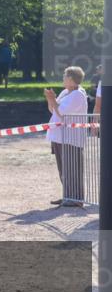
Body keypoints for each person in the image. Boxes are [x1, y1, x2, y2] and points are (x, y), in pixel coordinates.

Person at [45, 66, 89, 208]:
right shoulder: (65, 92)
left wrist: (53, 100)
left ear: (71, 79)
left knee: (72, 168)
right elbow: (53, 109)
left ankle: (76, 198)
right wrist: (50, 99)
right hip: (59, 136)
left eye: (64, 76)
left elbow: (62, 114)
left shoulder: (78, 94)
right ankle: (67, 195)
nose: (63, 79)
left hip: (71, 137)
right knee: (63, 168)